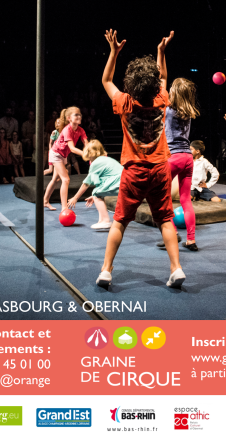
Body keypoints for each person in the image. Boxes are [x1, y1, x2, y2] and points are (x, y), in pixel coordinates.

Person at [96, 29, 185, 289]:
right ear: (154, 84)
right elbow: (164, 76)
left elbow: (106, 80)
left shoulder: (124, 102)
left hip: (134, 171)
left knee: (120, 222)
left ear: (131, 84)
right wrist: (161, 51)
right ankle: (176, 268)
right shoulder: (161, 99)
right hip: (159, 169)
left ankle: (106, 270)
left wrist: (114, 52)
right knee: (165, 220)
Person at [160, 78, 200, 251]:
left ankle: (173, 234)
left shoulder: (167, 110)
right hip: (188, 157)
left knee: (163, 199)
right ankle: (191, 240)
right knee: (185, 200)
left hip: (173, 157)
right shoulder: (188, 113)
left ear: (173, 92)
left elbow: (161, 91)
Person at [67, 140, 123, 230]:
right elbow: (100, 184)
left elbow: (86, 184)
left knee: (96, 192)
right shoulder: (106, 159)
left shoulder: (96, 163)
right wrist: (95, 195)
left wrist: (75, 198)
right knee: (97, 193)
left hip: (119, 182)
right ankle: (101, 221)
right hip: (124, 181)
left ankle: (106, 220)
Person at [43, 107, 88, 211]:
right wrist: (86, 155)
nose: (79, 116)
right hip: (56, 153)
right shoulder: (67, 129)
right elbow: (72, 148)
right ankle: (64, 208)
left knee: (55, 179)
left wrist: (91, 153)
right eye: (76, 115)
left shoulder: (81, 130)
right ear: (69, 118)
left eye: (79, 114)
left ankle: (45, 201)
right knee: (66, 179)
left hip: (63, 155)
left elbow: (86, 144)